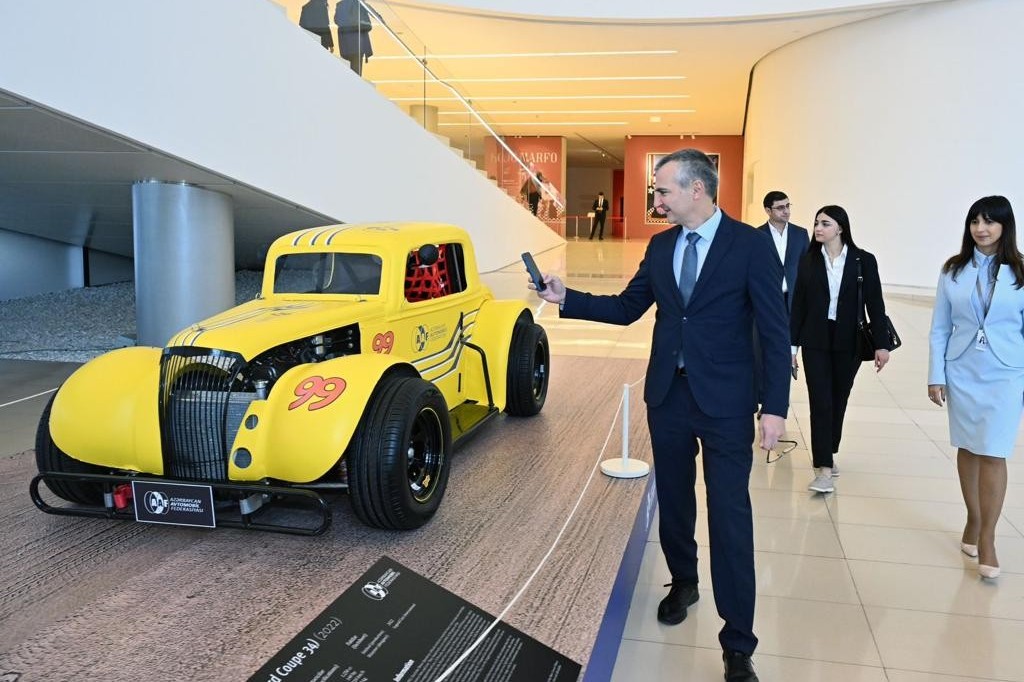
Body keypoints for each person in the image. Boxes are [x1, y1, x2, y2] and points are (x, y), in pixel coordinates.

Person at [530, 149, 789, 682]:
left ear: (697, 190)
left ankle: (738, 642)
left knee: (730, 516)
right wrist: (565, 297)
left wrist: (775, 409)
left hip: (726, 403)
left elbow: (774, 329)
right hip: (667, 397)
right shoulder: (661, 244)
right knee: (673, 501)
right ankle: (685, 581)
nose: (657, 199)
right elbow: (628, 308)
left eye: (664, 190)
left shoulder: (750, 245)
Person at [928, 195, 1024, 580]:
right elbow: (939, 328)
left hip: (1005, 373)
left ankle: (988, 537)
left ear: (1005, 226)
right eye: (974, 222)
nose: (981, 229)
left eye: (989, 222)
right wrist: (936, 374)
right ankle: (973, 516)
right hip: (963, 369)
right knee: (968, 446)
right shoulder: (953, 270)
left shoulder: (1020, 271)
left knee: (994, 451)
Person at [790, 205, 890, 494]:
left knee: (838, 398)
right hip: (815, 339)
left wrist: (882, 345)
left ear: (841, 228)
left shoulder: (863, 261)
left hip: (850, 340)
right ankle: (822, 467)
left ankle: (829, 449)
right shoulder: (808, 260)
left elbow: (876, 303)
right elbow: (798, 305)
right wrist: (791, 346)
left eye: (825, 223)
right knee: (820, 400)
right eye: (816, 223)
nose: (818, 228)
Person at [753, 191, 810, 407]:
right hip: (765, 303)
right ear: (768, 211)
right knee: (760, 352)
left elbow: (807, 269)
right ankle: (761, 399)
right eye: (780, 207)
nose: (786, 211)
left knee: (785, 353)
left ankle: (776, 403)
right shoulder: (756, 235)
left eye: (788, 206)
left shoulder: (800, 234)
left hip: (792, 302)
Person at [335, 0, 372, 75]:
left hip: (345, 45)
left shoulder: (340, 4)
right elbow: (368, 24)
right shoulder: (360, 4)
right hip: (357, 45)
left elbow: (337, 21)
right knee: (356, 73)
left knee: (347, 72)